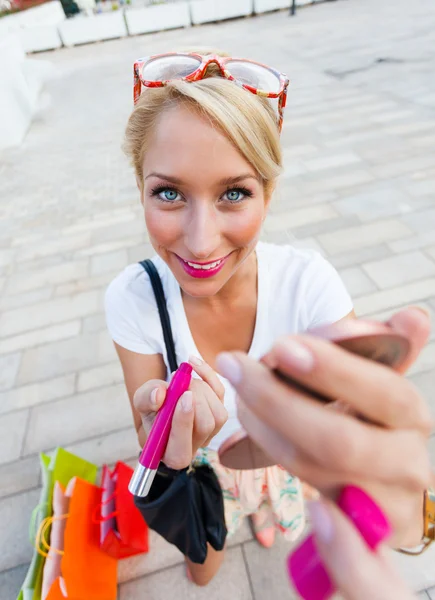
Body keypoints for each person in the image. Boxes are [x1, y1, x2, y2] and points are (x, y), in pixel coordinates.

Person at [105, 49, 433, 586]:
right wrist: (168, 457)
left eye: (234, 192)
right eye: (168, 192)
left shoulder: (310, 286)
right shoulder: (132, 297)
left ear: (269, 194)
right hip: (207, 471)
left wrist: (394, 488)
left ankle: (262, 509)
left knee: (271, 519)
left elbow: (352, 423)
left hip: (283, 462)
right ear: (140, 189)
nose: (201, 240)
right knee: (203, 573)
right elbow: (152, 440)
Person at [216, 306, 431, 599]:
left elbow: (350, 385)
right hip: (224, 466)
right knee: (245, 499)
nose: (202, 255)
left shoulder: (313, 284)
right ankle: (257, 510)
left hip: (291, 466)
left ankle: (264, 513)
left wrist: (421, 522)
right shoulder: (138, 296)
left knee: (275, 493)